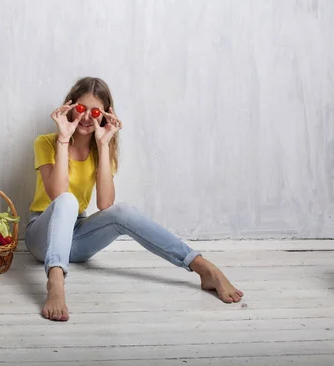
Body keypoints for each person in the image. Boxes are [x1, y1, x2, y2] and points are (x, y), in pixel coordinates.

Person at [25, 77, 243, 321]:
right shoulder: (46, 143)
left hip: (77, 238)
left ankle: (203, 267)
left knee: (124, 211)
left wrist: (104, 145)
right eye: (80, 109)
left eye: (94, 111)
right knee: (67, 201)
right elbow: (58, 194)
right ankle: (55, 282)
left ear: (104, 115)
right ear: (69, 108)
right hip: (42, 238)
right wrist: (64, 139)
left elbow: (105, 204)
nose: (86, 117)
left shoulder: (102, 151)